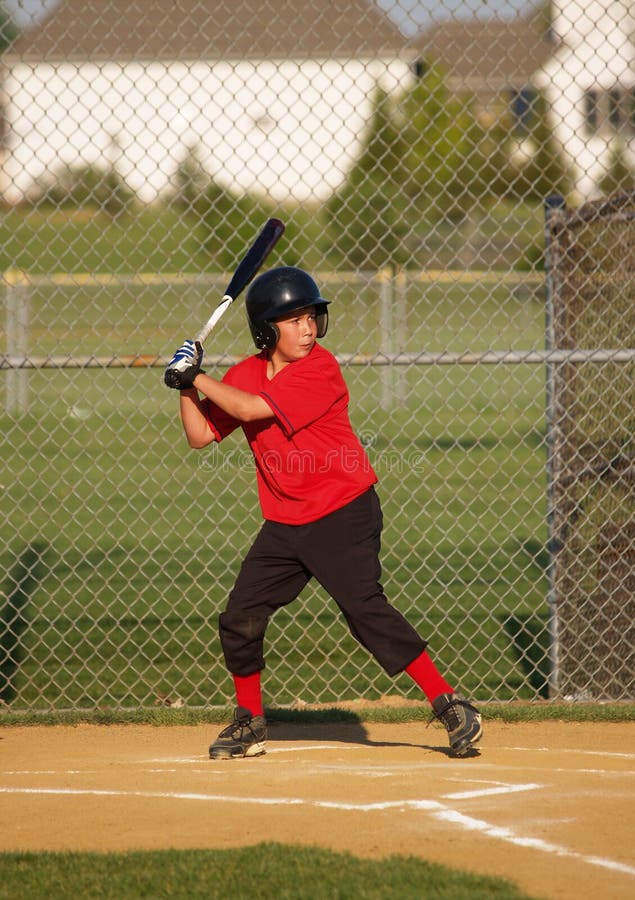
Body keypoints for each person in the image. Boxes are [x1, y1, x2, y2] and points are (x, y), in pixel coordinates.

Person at [164, 266, 482, 759]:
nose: (308, 328)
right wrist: (185, 388)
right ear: (267, 330)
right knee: (240, 617)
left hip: (343, 510)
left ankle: (450, 704)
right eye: (293, 319)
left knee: (364, 610)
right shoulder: (244, 375)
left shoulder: (320, 369)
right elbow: (200, 435)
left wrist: (197, 374)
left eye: (311, 316)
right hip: (286, 522)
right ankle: (250, 722)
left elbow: (250, 410)